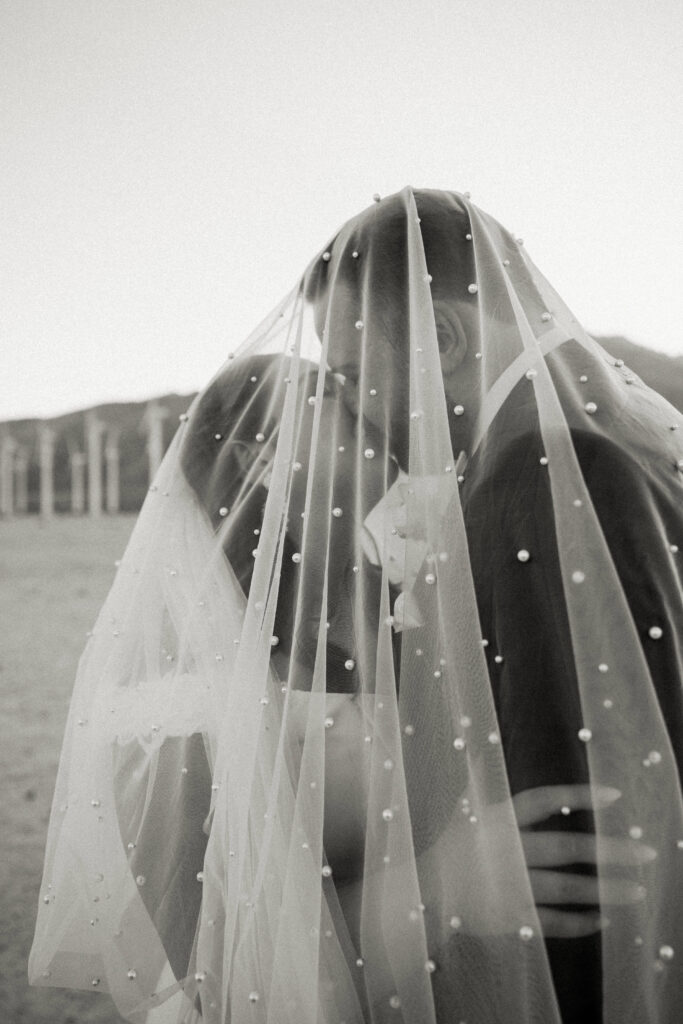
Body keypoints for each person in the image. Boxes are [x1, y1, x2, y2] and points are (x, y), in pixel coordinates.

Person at [30, 188, 683, 1023]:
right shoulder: (184, 705)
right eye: (334, 394)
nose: (369, 406)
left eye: (349, 377)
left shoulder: (414, 604)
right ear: (270, 465)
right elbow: (217, 967)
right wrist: (444, 883)